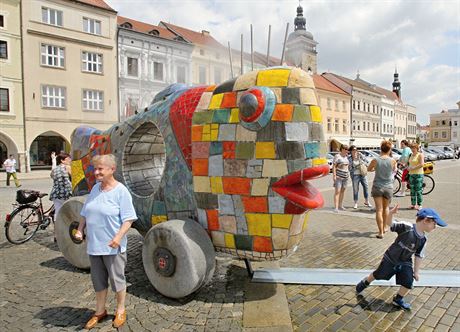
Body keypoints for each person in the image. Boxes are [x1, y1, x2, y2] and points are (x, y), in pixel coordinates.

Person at [74, 154, 137, 329]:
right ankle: (100, 311)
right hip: (94, 246)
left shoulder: (121, 191)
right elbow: (85, 213)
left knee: (117, 280)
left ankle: (120, 310)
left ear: (112, 169)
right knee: (98, 281)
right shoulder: (95, 189)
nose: (96, 172)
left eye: (100, 168)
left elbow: (129, 219)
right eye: (95, 168)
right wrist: (79, 230)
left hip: (113, 247)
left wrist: (118, 237)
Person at [356, 205, 447, 310]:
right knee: (379, 274)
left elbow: (419, 255)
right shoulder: (407, 227)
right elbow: (391, 224)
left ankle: (398, 298)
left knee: (408, 281)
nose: (435, 226)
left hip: (405, 261)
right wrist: (390, 214)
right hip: (391, 258)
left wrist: (416, 272)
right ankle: (366, 281)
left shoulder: (423, 239)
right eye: (434, 223)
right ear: (426, 220)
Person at [368, 140, 397, 238]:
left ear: (381, 149)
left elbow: (369, 169)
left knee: (379, 210)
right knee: (386, 209)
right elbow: (393, 170)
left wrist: (375, 169)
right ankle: (385, 227)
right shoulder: (393, 161)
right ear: (389, 150)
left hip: (377, 186)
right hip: (388, 187)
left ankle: (380, 232)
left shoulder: (375, 160)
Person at [49, 152, 72, 218]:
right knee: (69, 213)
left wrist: (53, 160)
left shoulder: (55, 169)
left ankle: (58, 227)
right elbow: (74, 178)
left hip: (55, 194)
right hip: (65, 194)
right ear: (62, 160)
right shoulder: (67, 167)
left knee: (58, 213)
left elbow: (52, 176)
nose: (70, 160)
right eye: (68, 159)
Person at [332, 144, 349, 213]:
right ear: (341, 149)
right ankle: (336, 207)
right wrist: (334, 175)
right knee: (337, 192)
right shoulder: (337, 156)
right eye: (345, 149)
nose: (346, 150)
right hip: (339, 177)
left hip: (345, 177)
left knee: (342, 191)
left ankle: (340, 205)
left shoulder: (346, 157)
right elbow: (334, 166)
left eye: (347, 149)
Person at [407, 142, 425, 210]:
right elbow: (409, 163)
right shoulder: (410, 155)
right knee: (412, 190)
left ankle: (419, 204)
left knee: (418, 190)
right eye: (411, 148)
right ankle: (413, 204)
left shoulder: (420, 155)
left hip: (418, 174)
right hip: (411, 174)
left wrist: (413, 168)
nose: (412, 149)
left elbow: (422, 164)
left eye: (414, 148)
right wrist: (407, 167)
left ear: (417, 148)